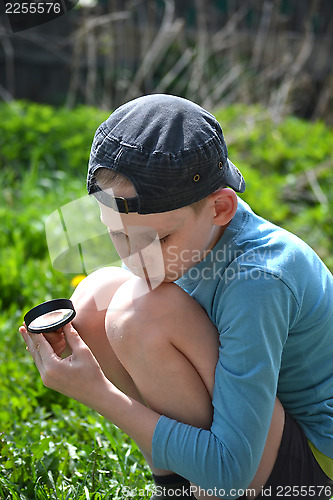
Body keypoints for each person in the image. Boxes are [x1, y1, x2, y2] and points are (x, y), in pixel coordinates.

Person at [20, 94, 333, 499]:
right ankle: (175, 488)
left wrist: (99, 393)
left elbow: (231, 471)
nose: (134, 258)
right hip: (261, 438)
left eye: (158, 239)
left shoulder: (259, 281)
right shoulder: (199, 233)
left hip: (314, 468)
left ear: (220, 208)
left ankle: (190, 490)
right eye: (117, 235)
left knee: (143, 312)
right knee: (96, 299)